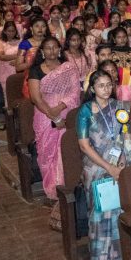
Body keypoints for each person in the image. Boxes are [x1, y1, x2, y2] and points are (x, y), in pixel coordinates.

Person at [76, 70, 131, 260]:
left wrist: (122, 162)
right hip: (96, 168)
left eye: (109, 85)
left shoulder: (119, 107)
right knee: (100, 214)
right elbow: (84, 146)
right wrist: (108, 167)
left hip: (120, 165)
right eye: (101, 85)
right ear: (92, 89)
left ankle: (124, 259)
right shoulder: (85, 111)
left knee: (121, 212)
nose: (106, 89)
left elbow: (126, 136)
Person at [27, 37, 83, 230]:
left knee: (65, 150)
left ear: (59, 49)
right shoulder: (35, 70)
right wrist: (52, 115)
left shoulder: (68, 67)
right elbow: (36, 98)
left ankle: (65, 187)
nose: (51, 51)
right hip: (44, 115)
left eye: (54, 48)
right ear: (42, 51)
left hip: (66, 112)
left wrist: (59, 110)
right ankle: (52, 191)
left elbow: (75, 93)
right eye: (47, 48)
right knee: (47, 153)